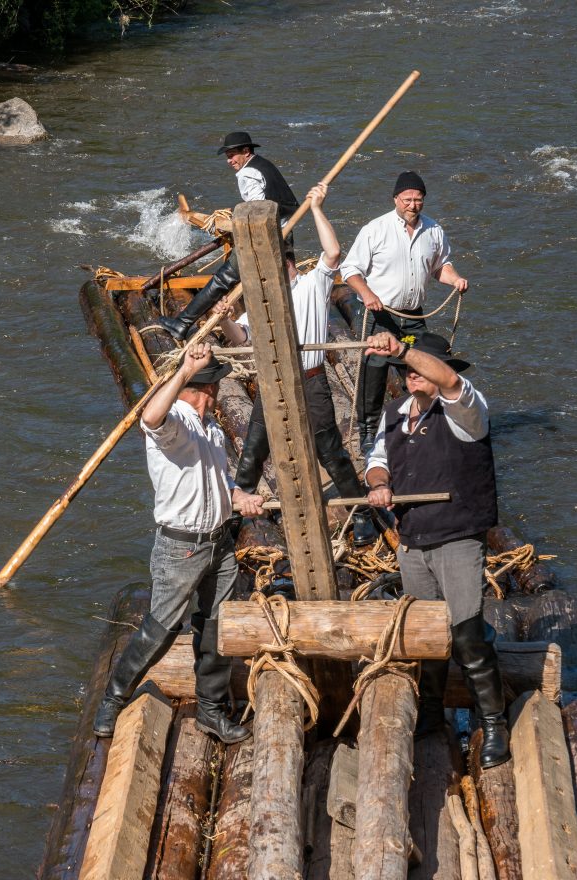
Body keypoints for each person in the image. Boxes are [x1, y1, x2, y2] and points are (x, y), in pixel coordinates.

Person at [92, 343, 266, 744]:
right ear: (205, 389)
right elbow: (149, 417)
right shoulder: (176, 426)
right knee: (163, 626)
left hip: (219, 541)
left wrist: (239, 497)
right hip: (182, 547)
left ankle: (211, 709)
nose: (220, 392)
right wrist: (185, 370)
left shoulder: (212, 430)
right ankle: (114, 698)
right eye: (216, 386)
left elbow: (218, 482)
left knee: (216, 625)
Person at [362, 330, 510, 768]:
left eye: (419, 368)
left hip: (458, 536)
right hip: (413, 540)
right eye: (407, 371)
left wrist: (404, 350)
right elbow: (376, 463)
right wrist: (380, 486)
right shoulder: (394, 413)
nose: (413, 376)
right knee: (425, 633)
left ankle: (494, 721)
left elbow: (447, 382)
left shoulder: (466, 409)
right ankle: (431, 711)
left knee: (466, 633)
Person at [212, 182, 378, 547]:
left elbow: (332, 252)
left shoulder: (311, 285)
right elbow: (242, 340)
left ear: (284, 263)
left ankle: (361, 511)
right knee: (254, 450)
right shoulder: (260, 299)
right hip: (272, 384)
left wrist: (316, 207)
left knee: (330, 451)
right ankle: (237, 511)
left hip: (310, 378)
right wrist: (224, 317)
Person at [340, 171, 470, 452]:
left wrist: (455, 279)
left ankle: (426, 420)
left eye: (418, 200)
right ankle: (368, 432)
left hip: (413, 316)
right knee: (374, 370)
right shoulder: (375, 229)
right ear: (395, 199)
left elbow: (440, 267)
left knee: (421, 366)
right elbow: (349, 269)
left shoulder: (433, 230)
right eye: (407, 199)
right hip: (379, 314)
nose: (413, 205)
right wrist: (367, 294)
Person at [158, 132, 300, 341]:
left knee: (223, 279)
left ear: (246, 151)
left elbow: (258, 212)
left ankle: (182, 323)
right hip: (285, 231)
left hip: (265, 238)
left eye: (233, 155)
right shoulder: (264, 165)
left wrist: (235, 227)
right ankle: (296, 325)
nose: (230, 161)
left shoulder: (247, 174)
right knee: (288, 279)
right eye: (227, 156)